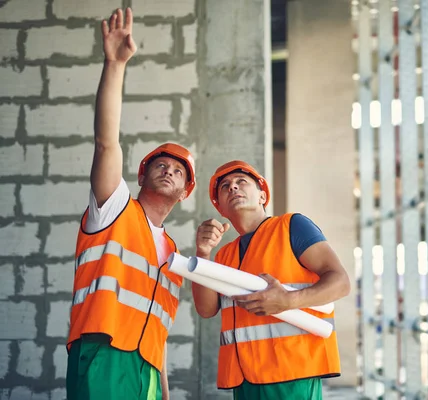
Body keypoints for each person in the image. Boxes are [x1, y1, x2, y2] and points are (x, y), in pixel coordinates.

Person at [66, 8, 196, 400]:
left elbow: (158, 326)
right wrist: (115, 64)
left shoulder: (172, 253)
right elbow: (107, 142)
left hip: (148, 369)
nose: (170, 171)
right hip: (103, 355)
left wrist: (163, 388)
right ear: (141, 176)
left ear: (186, 192)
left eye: (179, 170)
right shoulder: (115, 208)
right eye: (161, 164)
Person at [192, 160, 351, 400]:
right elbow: (206, 309)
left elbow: (341, 282)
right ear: (221, 209)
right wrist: (203, 254)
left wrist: (288, 300)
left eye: (241, 182)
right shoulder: (224, 254)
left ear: (262, 196)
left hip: (291, 373)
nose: (232, 188)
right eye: (225, 186)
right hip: (244, 379)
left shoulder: (292, 227)